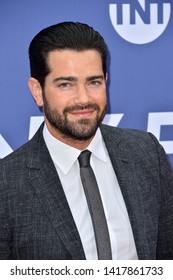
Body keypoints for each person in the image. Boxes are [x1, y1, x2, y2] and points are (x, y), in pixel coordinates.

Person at [0, 22, 173, 260]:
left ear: (106, 81)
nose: (83, 98)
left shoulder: (146, 152)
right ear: (37, 90)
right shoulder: (6, 183)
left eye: (94, 82)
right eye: (66, 84)